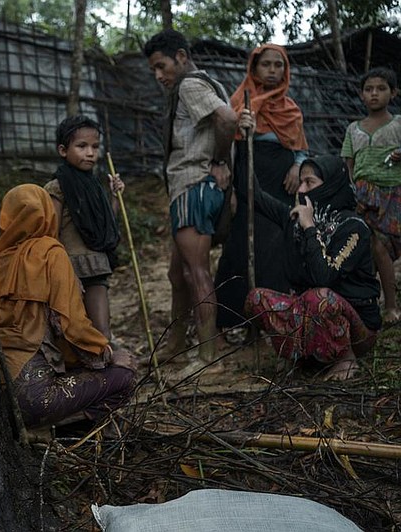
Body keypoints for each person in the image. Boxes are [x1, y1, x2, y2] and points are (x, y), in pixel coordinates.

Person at [0, 184, 136, 428]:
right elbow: (71, 326)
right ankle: (55, 429)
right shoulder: (50, 253)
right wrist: (109, 355)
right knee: (124, 377)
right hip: (36, 400)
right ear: (48, 213)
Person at [143, 29, 238, 361]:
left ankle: (209, 356)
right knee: (176, 273)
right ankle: (176, 345)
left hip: (193, 186)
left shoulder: (191, 84)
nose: (158, 75)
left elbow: (228, 119)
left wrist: (220, 161)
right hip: (188, 189)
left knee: (196, 271)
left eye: (161, 66)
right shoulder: (200, 85)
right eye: (153, 69)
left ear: (181, 57)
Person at [243, 156, 381, 381]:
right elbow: (252, 194)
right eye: (300, 182)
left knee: (319, 297)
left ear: (331, 185)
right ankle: (301, 356)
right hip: (310, 315)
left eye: (309, 182)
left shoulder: (353, 227)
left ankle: (346, 358)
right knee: (258, 298)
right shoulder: (294, 219)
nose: (301, 189)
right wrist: (239, 139)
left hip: (357, 330)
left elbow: (324, 276)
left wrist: (310, 228)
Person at [215, 44, 309, 329]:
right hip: (251, 182)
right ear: (254, 68)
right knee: (245, 244)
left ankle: (275, 317)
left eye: (278, 65)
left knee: (277, 247)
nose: (272, 71)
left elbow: (301, 147)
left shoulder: (290, 108)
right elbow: (226, 146)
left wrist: (297, 166)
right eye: (266, 65)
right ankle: (239, 319)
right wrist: (242, 128)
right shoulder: (240, 102)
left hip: (283, 183)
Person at [43, 115, 124, 341]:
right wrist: (61, 273)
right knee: (74, 331)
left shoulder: (94, 186)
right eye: (82, 146)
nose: (90, 152)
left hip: (96, 266)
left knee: (102, 330)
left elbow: (105, 225)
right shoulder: (56, 187)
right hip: (70, 269)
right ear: (62, 150)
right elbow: (51, 233)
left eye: (95, 147)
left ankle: (106, 371)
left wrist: (115, 197)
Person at [341, 67, 401, 323]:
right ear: (361, 95)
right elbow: (349, 165)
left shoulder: (398, 123)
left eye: (381, 88)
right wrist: (355, 190)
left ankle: (386, 304)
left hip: (393, 194)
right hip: (364, 196)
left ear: (394, 93)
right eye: (369, 89)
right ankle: (385, 306)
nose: (374, 93)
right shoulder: (353, 129)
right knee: (372, 247)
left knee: (385, 248)